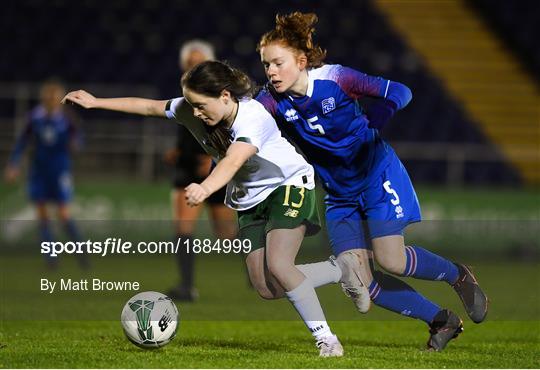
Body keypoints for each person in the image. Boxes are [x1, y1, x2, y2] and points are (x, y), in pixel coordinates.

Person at [61, 61, 349, 357]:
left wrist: (206, 187)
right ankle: (340, 269)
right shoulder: (191, 108)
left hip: (288, 184)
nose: (195, 112)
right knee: (267, 287)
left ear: (225, 96)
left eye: (200, 105)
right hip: (249, 197)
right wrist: (96, 102)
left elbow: (233, 160)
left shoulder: (252, 117)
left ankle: (326, 339)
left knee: (280, 265)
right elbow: (148, 107)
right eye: (191, 104)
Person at [255, 12, 488, 351]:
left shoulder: (337, 78)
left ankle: (458, 274)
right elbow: (245, 120)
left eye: (277, 63)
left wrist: (381, 114)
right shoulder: (272, 101)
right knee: (361, 280)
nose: (271, 72)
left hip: (377, 175)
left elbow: (400, 91)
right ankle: (442, 320)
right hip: (338, 194)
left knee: (391, 260)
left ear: (301, 61)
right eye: (266, 65)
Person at [163, 40, 237, 301]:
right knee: (183, 229)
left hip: (213, 168)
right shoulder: (185, 95)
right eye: (189, 61)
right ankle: (186, 286)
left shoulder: (219, 94)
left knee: (226, 234)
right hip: (186, 167)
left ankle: (260, 272)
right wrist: (177, 151)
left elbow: (226, 129)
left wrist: (212, 157)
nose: (192, 64)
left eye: (198, 60)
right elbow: (185, 129)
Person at [4, 79, 87, 269]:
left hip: (60, 171)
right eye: (47, 97)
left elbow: (79, 139)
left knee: (64, 215)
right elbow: (22, 142)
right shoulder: (34, 117)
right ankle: (51, 259)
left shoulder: (67, 118)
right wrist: (13, 165)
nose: (50, 100)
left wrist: (76, 145)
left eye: (54, 97)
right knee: (42, 216)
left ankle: (81, 251)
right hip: (39, 172)